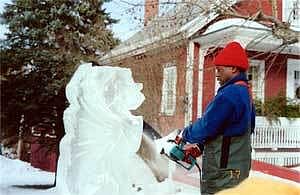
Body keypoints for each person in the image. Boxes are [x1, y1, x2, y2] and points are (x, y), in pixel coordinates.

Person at [180, 41, 256, 195]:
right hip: (238, 170)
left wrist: (184, 134)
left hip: (222, 172)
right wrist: (201, 146)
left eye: (219, 70)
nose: (216, 74)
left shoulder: (229, 94)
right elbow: (236, 129)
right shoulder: (245, 92)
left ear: (233, 68)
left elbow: (206, 126)